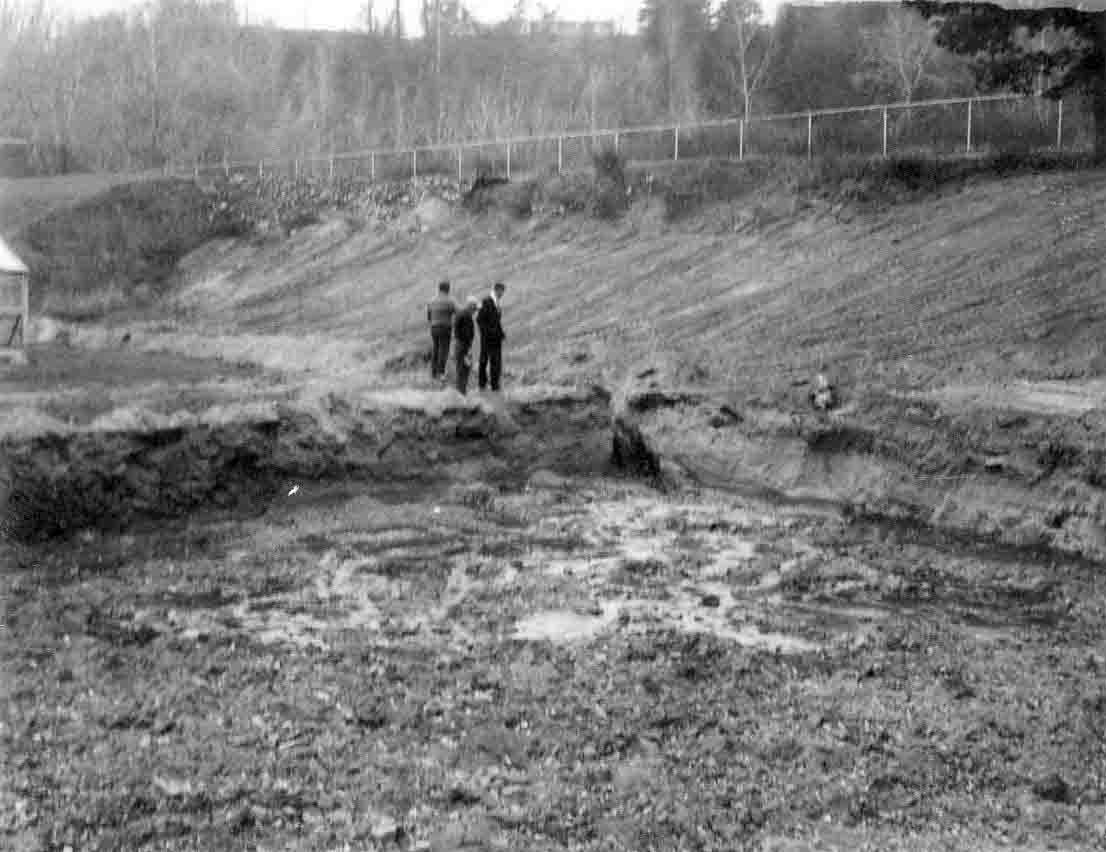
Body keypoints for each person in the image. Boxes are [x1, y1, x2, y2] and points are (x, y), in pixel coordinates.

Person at [476, 281, 506, 392]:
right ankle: (482, 383)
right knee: (484, 360)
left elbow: (496, 322)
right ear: (497, 290)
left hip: (496, 338)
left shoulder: (496, 302)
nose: (502, 294)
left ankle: (494, 384)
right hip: (488, 338)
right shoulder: (487, 301)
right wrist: (487, 333)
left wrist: (501, 333)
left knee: (496, 361)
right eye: (502, 291)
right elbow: (479, 320)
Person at [426, 280, 456, 382]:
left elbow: (429, 317)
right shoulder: (450, 301)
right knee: (444, 350)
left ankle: (433, 373)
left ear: (438, 288)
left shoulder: (431, 301)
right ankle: (441, 373)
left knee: (435, 349)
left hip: (433, 328)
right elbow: (458, 313)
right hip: (445, 328)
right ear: (448, 289)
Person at [453, 296, 479, 395]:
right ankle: (461, 394)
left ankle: (461, 393)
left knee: (462, 370)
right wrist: (468, 350)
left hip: (460, 346)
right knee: (463, 370)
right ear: (471, 306)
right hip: (463, 347)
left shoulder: (461, 314)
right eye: (475, 309)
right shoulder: (466, 316)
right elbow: (467, 334)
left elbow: (458, 332)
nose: (475, 311)